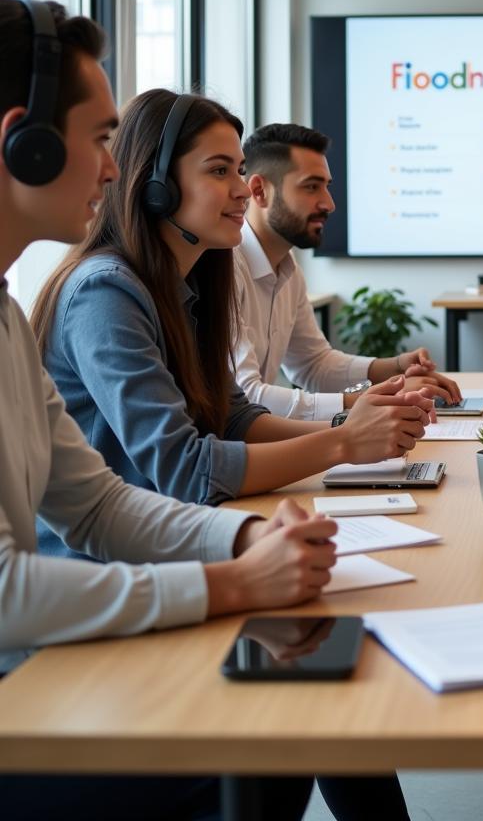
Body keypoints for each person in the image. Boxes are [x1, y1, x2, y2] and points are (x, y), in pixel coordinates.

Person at [0, 0, 411, 820]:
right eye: (99, 140)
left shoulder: (9, 317)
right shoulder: (99, 293)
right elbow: (15, 587)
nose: (110, 169)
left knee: (302, 701)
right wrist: (231, 577)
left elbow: (103, 503)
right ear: (27, 145)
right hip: (39, 678)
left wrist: (254, 535)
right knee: (280, 736)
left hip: (82, 618)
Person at [30, 88, 433, 560]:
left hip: (176, 543)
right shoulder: (105, 293)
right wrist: (343, 441)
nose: (243, 189)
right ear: (156, 184)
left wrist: (360, 430)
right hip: (100, 571)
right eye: (220, 171)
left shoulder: (186, 287)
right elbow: (185, 468)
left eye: (238, 170)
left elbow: (234, 418)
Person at [233, 122, 461, 420]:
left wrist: (395, 368)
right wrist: (374, 400)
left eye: (327, 186)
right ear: (260, 191)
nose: (329, 203)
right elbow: (245, 397)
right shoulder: (224, 268)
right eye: (312, 186)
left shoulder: (289, 270)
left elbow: (313, 365)